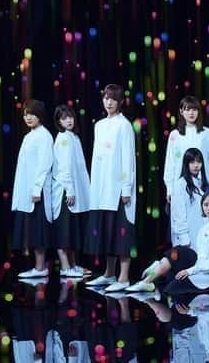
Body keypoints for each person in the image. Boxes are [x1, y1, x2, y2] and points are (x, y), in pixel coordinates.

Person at [127, 190, 209, 296]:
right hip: (203, 268)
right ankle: (149, 279)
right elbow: (201, 257)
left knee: (170, 287)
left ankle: (158, 269)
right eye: (206, 204)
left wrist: (190, 271)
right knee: (176, 254)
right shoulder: (204, 228)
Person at [84, 84, 137, 292]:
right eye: (106, 98)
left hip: (118, 190)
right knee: (108, 231)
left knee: (122, 232)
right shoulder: (99, 125)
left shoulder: (124, 125)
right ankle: (109, 273)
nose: (109, 102)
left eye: (113, 99)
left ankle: (124, 277)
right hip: (101, 188)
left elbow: (127, 158)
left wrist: (126, 188)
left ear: (120, 102)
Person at [12, 99, 54, 279]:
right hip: (28, 190)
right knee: (32, 229)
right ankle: (37, 267)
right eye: (26, 114)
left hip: (38, 192)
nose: (28, 118)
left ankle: (41, 267)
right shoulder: (29, 136)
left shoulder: (44, 136)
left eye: (32, 114)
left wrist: (37, 188)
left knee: (39, 230)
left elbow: (45, 163)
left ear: (40, 116)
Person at [51, 104, 91, 278]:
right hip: (65, 192)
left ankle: (73, 265)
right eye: (63, 118)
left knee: (71, 231)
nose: (68, 120)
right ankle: (65, 267)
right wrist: (70, 190)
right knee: (63, 231)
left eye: (70, 117)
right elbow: (65, 168)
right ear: (58, 121)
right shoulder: (63, 138)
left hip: (74, 191)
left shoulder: (73, 137)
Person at [164, 95, 209, 199]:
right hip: (180, 185)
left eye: (194, 109)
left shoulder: (207, 133)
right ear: (181, 111)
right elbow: (170, 163)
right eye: (187, 109)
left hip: (203, 185)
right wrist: (170, 189)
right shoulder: (175, 135)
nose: (191, 113)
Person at [170, 148, 209, 249]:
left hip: (203, 235)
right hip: (188, 239)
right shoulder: (180, 185)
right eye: (192, 162)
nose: (196, 165)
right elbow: (179, 215)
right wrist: (184, 239)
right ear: (186, 164)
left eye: (199, 162)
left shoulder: (204, 184)